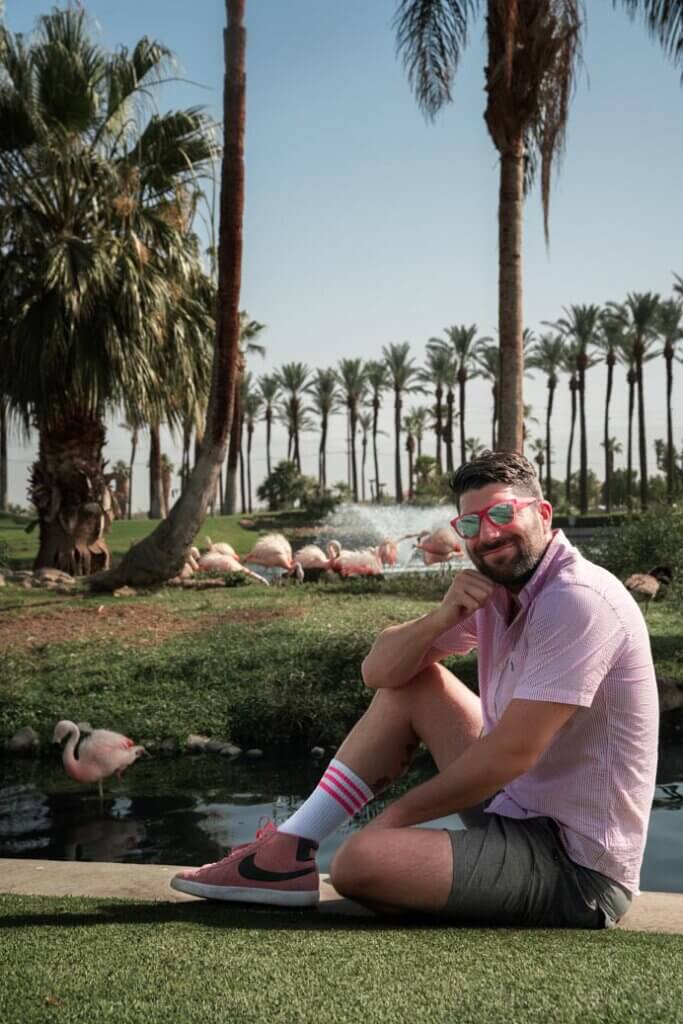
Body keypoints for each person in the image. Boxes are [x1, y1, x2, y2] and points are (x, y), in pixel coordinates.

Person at [171, 450, 658, 928]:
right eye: (471, 524)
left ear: (542, 514)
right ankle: (290, 848)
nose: (487, 535)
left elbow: (513, 754)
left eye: (503, 513)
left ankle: (358, 857)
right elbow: (378, 673)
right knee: (415, 683)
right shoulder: (498, 592)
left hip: (575, 867)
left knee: (358, 863)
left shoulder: (577, 599)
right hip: (517, 808)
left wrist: (394, 819)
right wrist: (441, 618)